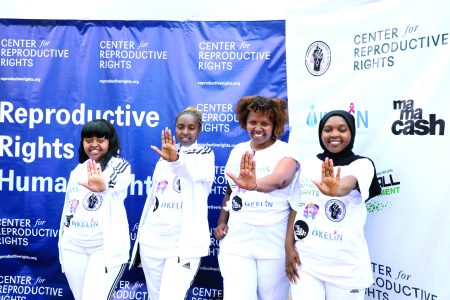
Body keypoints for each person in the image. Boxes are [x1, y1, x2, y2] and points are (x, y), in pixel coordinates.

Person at [285, 110, 381, 300]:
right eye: (328, 129)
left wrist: (337, 189)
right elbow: (297, 206)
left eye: (342, 129)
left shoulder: (362, 165)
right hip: (307, 264)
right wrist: (288, 247)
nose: (334, 134)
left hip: (347, 269)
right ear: (321, 134)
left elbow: (350, 182)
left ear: (351, 133)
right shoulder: (310, 163)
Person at [214, 95, 299, 300]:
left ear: (275, 125)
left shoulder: (288, 152)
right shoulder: (238, 151)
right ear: (245, 122)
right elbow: (229, 191)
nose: (258, 128)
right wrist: (222, 221)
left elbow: (280, 180)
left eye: (264, 123)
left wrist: (254, 184)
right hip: (236, 242)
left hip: (273, 244)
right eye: (253, 122)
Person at [130, 106, 215, 300]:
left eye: (191, 127)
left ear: (199, 130)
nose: (185, 132)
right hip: (153, 241)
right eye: (180, 126)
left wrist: (175, 160)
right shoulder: (165, 155)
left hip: (183, 245)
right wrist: (171, 157)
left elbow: (191, 170)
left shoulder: (205, 154)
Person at [58, 119, 132, 300]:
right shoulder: (77, 170)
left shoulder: (119, 166)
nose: (94, 145)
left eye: (100, 139)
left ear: (110, 142)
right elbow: (70, 208)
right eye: (88, 140)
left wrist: (103, 186)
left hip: (103, 249)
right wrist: (64, 240)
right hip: (73, 247)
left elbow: (114, 183)